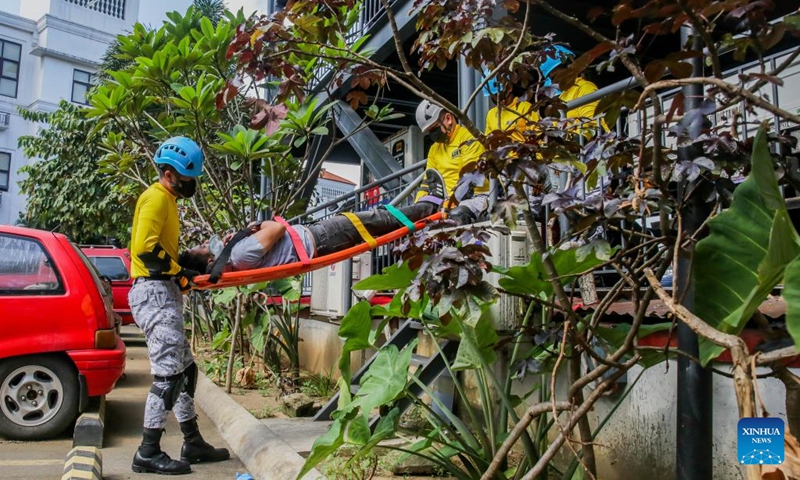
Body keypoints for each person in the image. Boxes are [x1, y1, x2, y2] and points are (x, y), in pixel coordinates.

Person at [128, 136, 230, 475]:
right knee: (169, 376)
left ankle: (192, 442)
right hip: (154, 293)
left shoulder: (167, 200)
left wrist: (186, 265)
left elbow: (161, 252)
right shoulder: (156, 198)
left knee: (186, 371)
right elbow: (144, 251)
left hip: (163, 290)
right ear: (170, 173)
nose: (192, 184)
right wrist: (179, 271)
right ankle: (148, 450)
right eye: (189, 178)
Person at [178, 197, 444, 275]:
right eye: (201, 248)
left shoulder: (235, 255)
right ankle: (433, 207)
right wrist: (258, 224)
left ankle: (427, 209)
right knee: (378, 220)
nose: (205, 243)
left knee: (377, 221)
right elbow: (278, 229)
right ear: (210, 262)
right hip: (320, 238)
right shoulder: (238, 254)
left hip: (318, 239)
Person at [415, 100, 490, 225]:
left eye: (434, 129)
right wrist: (419, 205)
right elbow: (426, 182)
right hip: (445, 202)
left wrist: (449, 202)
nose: (433, 135)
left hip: (476, 197)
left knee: (456, 215)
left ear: (449, 118)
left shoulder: (470, 139)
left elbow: (470, 182)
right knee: (419, 214)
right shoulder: (434, 149)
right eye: (429, 132)